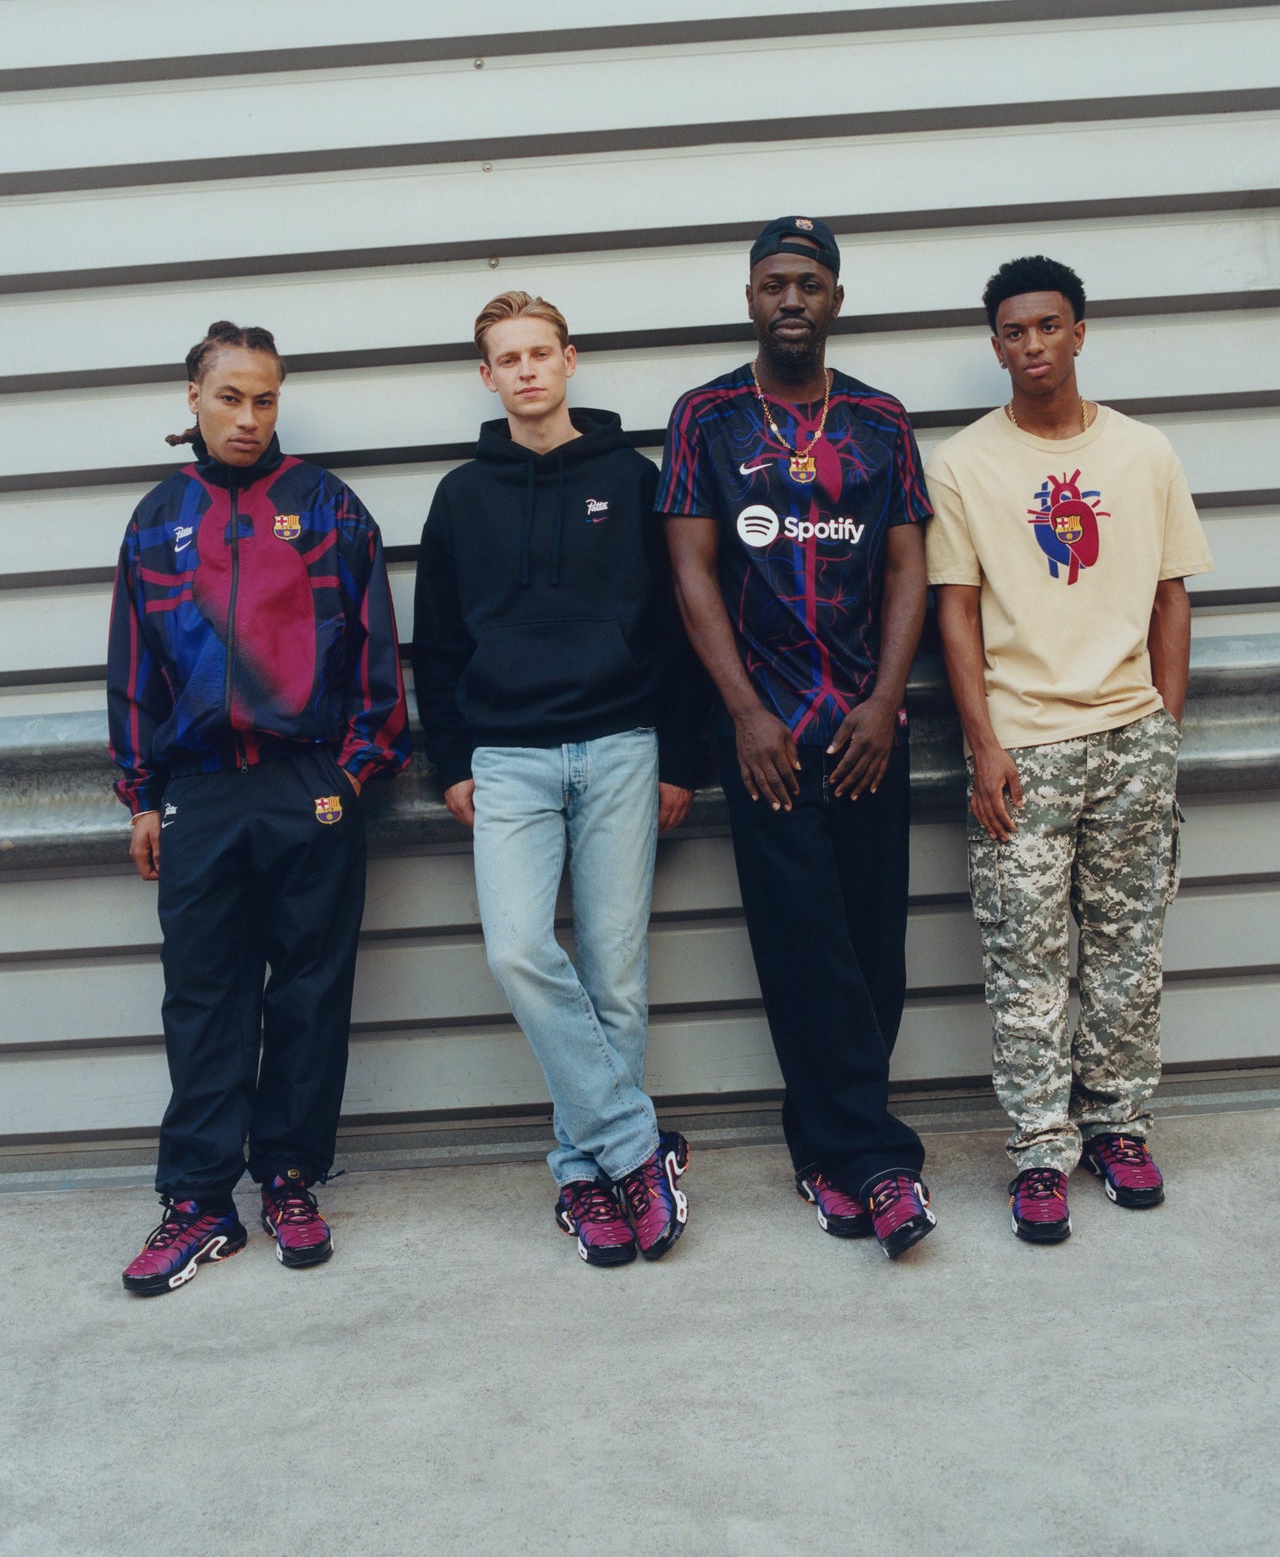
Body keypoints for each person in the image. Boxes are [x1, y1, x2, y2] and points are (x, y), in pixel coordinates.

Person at [109, 321, 410, 1296]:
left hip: (307, 783)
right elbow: (132, 670)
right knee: (203, 997)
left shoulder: (326, 506)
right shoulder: (158, 518)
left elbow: (375, 650)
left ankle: (288, 1176)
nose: (248, 416)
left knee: (310, 993)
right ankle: (200, 1200)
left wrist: (352, 771)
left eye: (265, 398)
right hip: (198, 791)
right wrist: (142, 794)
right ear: (194, 399)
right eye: (230, 396)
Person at [657, 216, 936, 1262]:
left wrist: (883, 700)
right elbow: (690, 574)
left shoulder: (878, 419)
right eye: (773, 282)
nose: (790, 299)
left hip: (865, 729)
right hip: (766, 732)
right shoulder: (706, 417)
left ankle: (827, 1149)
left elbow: (906, 567)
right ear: (749, 298)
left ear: (834, 301)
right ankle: (873, 1161)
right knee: (801, 946)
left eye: (808, 284)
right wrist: (743, 714)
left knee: (873, 949)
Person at [412, 291, 705, 1267]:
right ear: (486, 376)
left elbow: (675, 626)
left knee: (616, 974)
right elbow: (437, 641)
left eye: (541, 352)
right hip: (507, 757)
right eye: (508, 358)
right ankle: (635, 1149)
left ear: (569, 360)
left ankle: (585, 1177)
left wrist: (683, 757)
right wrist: (450, 761)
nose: (527, 370)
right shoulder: (461, 496)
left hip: (622, 746)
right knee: (517, 950)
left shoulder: (630, 479)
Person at [925, 256, 1213, 1244]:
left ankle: (1118, 1128)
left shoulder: (1144, 453)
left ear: (1078, 333)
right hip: (1024, 751)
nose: (1032, 345)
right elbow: (956, 613)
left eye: (1048, 326)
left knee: (1129, 955)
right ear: (995, 345)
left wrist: (1161, 729)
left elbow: (1171, 597)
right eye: (1013, 331)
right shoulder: (964, 464)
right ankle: (1040, 1152)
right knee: (1025, 965)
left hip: (1130, 740)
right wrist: (983, 743)